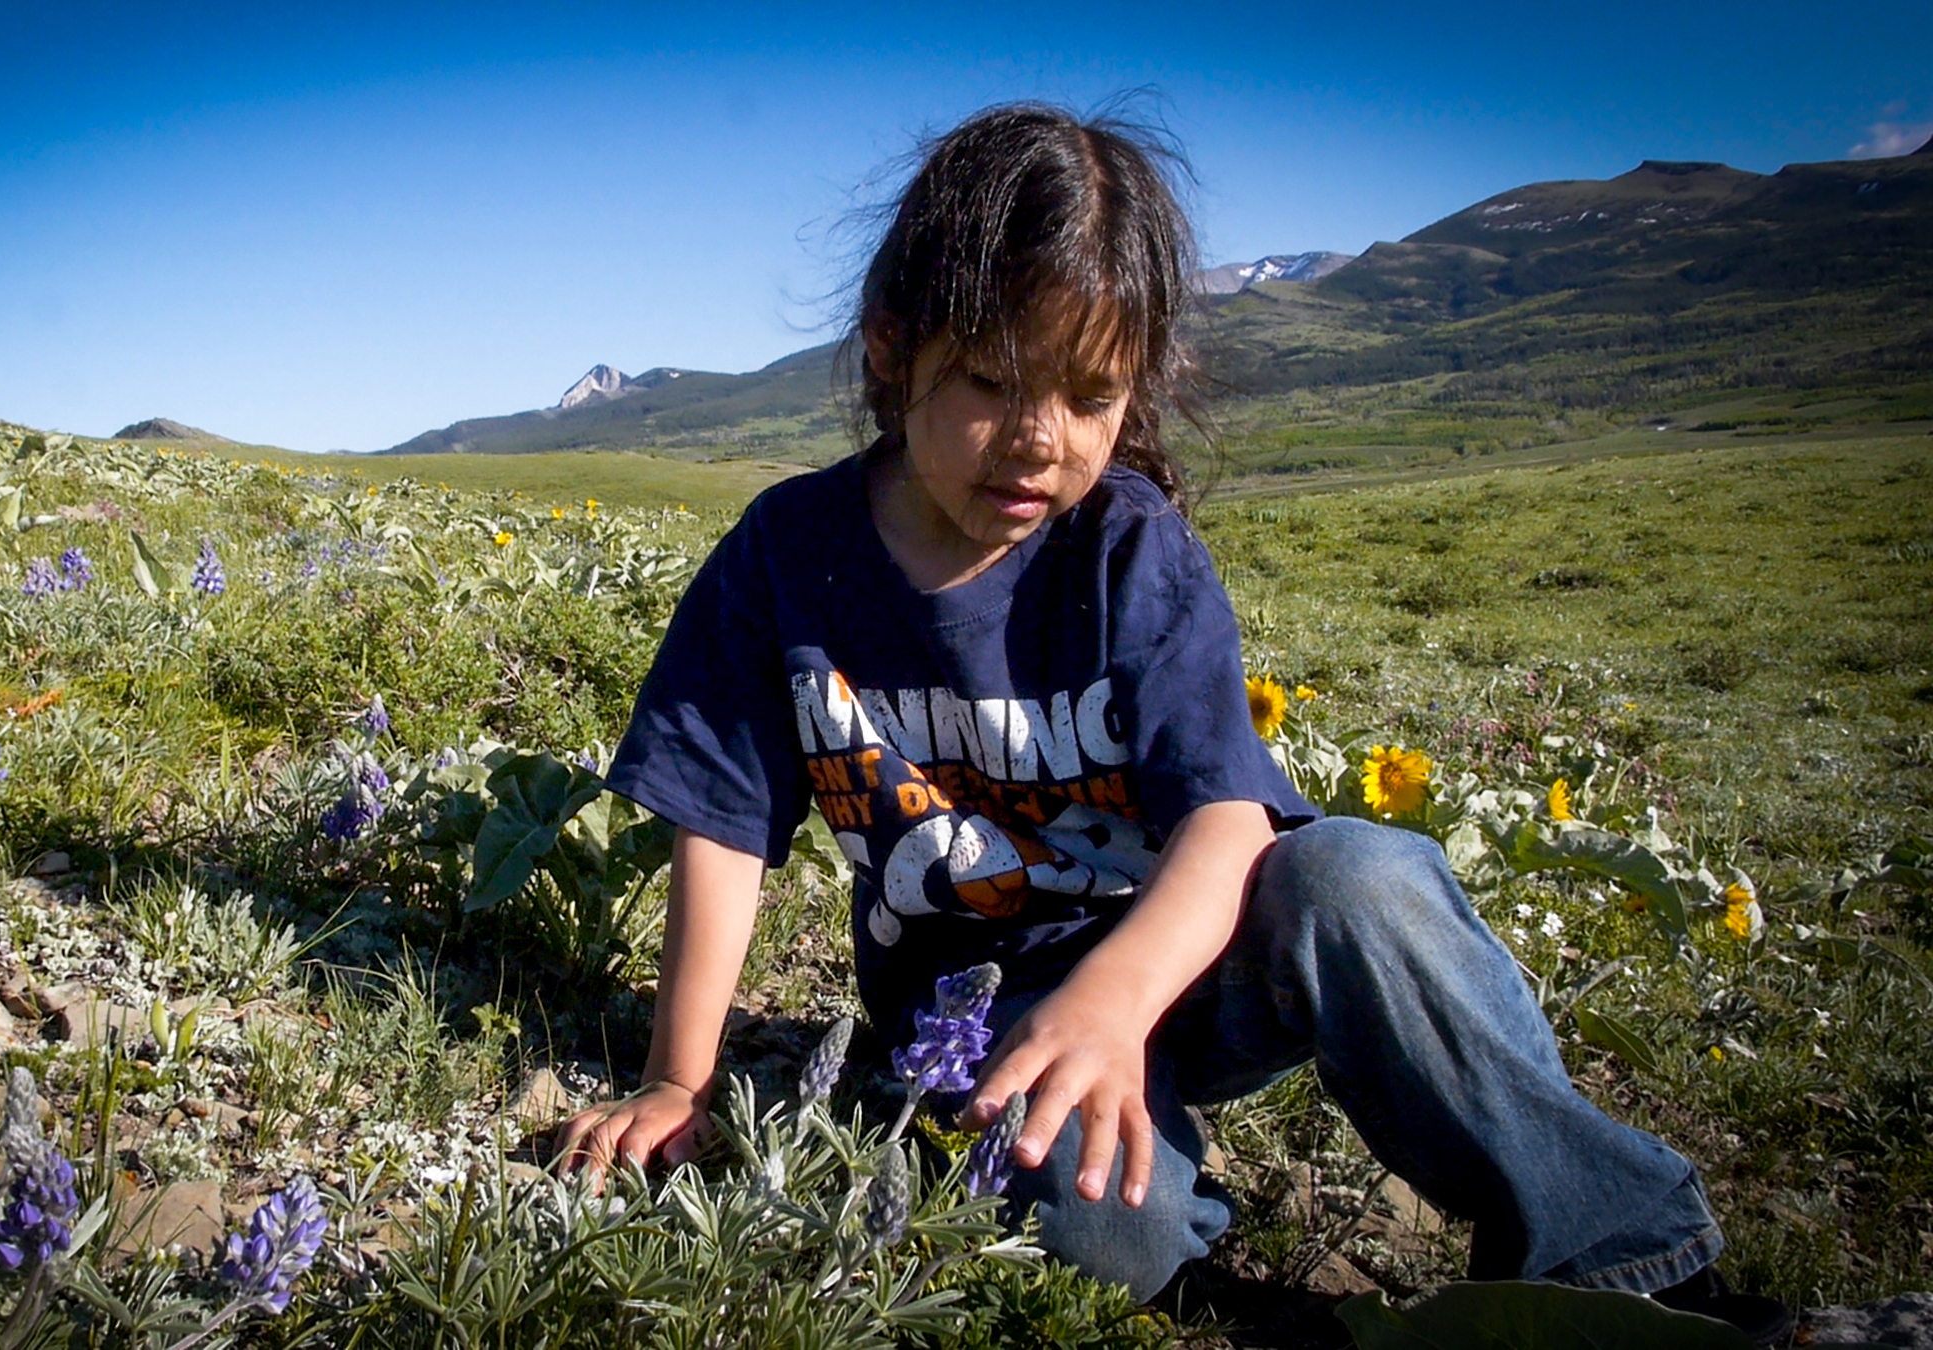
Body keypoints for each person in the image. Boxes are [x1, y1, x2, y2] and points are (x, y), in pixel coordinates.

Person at [555, 101, 1790, 1344]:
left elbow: (1228, 821)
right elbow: (722, 821)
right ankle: (1186, 1257)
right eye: (991, 381)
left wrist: (1114, 996)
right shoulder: (787, 557)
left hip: (1190, 962)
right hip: (983, 1026)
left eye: (1091, 398)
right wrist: (681, 1078)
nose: (1039, 441)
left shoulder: (1126, 546)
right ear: (894, 347)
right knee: (1100, 1240)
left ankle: (1629, 1258)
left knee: (1362, 880)